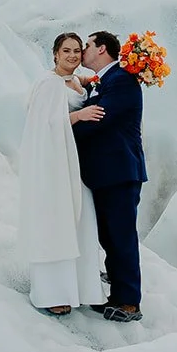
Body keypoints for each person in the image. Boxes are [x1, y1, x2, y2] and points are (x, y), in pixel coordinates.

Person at [18, 33, 109, 315]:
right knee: (56, 224)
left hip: (76, 163)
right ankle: (52, 292)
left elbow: (74, 86)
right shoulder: (48, 84)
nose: (72, 55)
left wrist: (84, 81)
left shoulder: (72, 82)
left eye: (76, 51)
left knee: (80, 223)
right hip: (54, 165)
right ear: (55, 54)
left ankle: (79, 288)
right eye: (65, 51)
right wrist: (77, 116)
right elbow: (41, 125)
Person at [72, 31, 147, 322]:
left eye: (87, 46)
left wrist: (60, 130)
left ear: (102, 49)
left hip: (120, 172)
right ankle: (118, 296)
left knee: (121, 237)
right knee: (110, 237)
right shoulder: (106, 81)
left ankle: (129, 303)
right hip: (107, 174)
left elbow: (99, 119)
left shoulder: (122, 80)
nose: (82, 51)